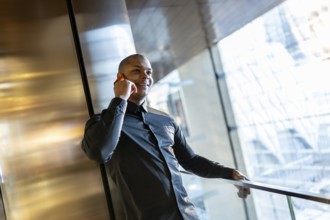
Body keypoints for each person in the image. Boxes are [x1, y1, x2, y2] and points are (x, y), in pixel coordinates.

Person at [81, 54, 250, 220]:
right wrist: (120, 98)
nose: (145, 76)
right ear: (121, 77)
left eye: (149, 72)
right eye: (137, 71)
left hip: (187, 215)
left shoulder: (165, 120)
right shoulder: (103, 123)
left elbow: (190, 160)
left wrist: (229, 173)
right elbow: (99, 152)